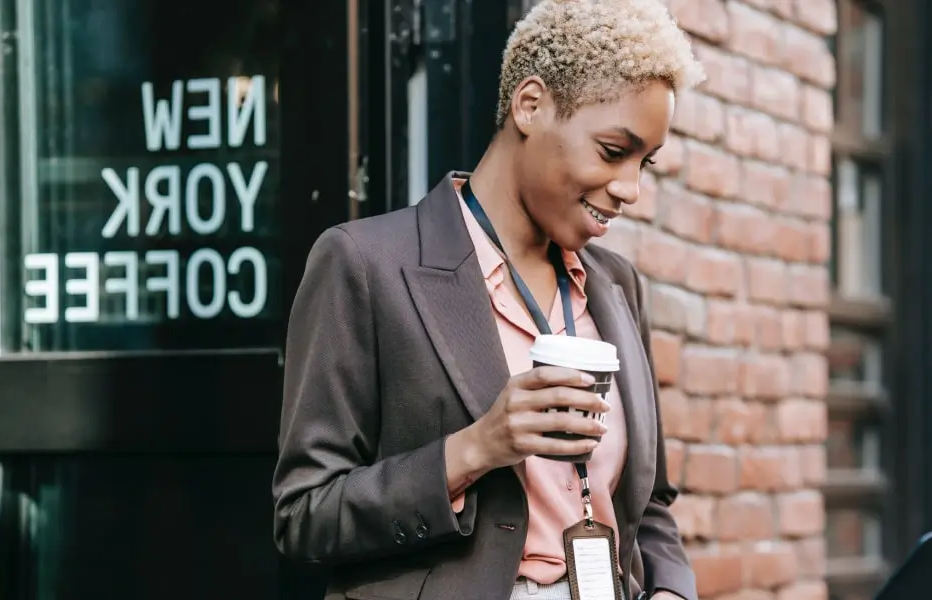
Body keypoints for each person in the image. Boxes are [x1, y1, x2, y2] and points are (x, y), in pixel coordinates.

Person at [272, 1, 706, 598]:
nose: (630, 188)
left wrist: (670, 589)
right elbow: (305, 515)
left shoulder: (616, 284)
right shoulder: (364, 263)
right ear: (530, 105)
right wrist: (474, 448)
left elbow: (648, 499)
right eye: (612, 152)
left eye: (645, 163)